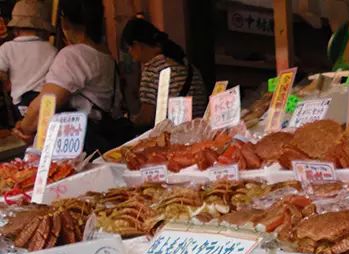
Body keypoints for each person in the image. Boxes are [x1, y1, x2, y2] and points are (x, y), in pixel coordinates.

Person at [13, 0, 133, 153]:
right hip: (100, 142)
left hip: (71, 150)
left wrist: (24, 127)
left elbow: (46, 104)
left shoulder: (73, 55)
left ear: (65, 21)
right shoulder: (107, 57)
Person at [121, 17, 206, 128]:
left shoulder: (153, 69)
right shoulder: (188, 65)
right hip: (199, 132)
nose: (130, 53)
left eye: (128, 48)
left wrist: (130, 122)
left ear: (137, 45)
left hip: (172, 135)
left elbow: (147, 117)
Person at [0, 0, 57, 115]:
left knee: (24, 123)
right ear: (43, 29)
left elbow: (1, 72)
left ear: (15, 29)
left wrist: (7, 84)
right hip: (46, 100)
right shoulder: (52, 50)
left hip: (21, 100)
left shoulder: (7, 47)